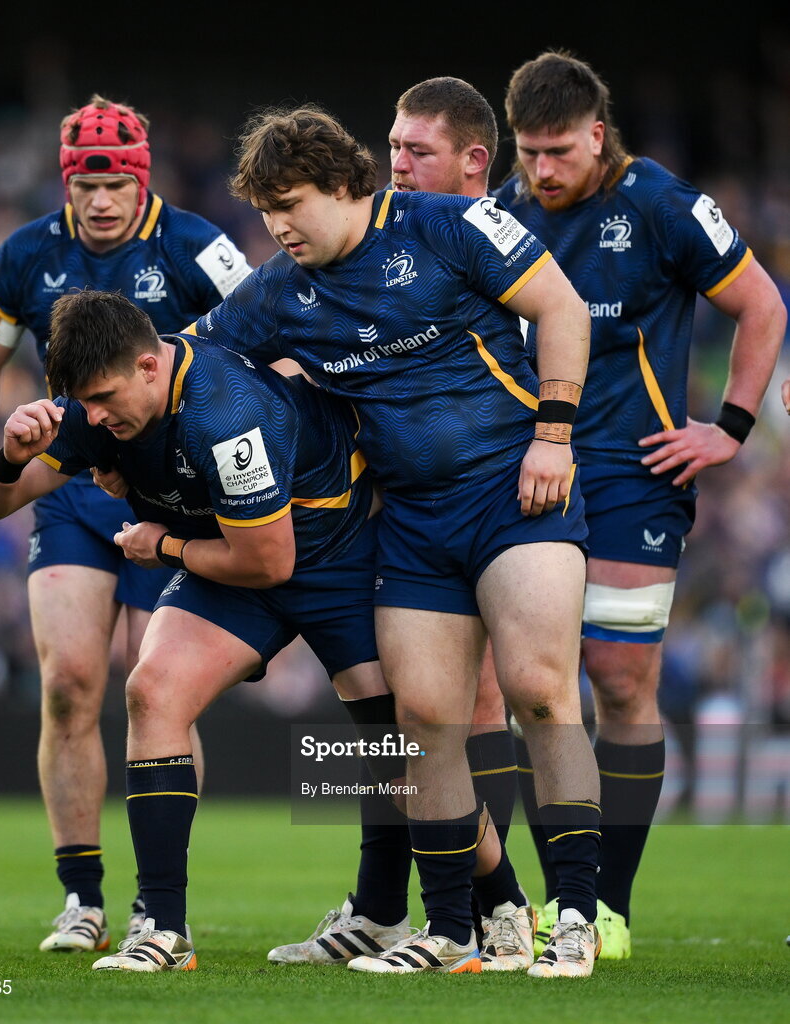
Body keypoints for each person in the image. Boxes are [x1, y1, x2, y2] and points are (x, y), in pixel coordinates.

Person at [191, 104, 604, 978]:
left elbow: (565, 310)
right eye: (265, 210)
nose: (276, 226)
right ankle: (452, 932)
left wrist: (554, 435)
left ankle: (574, 917)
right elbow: (187, 363)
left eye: (291, 203)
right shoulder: (276, 288)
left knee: (538, 693)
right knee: (421, 727)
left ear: (344, 186)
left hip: (516, 492)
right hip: (411, 522)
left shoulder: (448, 225)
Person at [0, 289, 409, 972]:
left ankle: (397, 914)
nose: (99, 418)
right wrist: (10, 458)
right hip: (230, 556)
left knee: (393, 730)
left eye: (107, 398)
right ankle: (163, 929)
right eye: (88, 404)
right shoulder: (94, 406)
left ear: (149, 366)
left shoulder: (223, 410)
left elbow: (271, 560)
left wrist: (162, 547)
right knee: (153, 688)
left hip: (333, 550)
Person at [492, 50, 786, 958]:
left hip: (633, 473)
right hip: (529, 467)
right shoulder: (502, 212)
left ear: (595, 132)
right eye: (526, 153)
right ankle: (561, 901)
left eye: (556, 152)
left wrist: (729, 428)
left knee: (619, 679)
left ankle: (606, 905)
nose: (541, 171)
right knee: (537, 688)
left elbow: (762, 305)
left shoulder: (661, 205)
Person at [0, 94, 253, 953]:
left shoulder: (198, 246)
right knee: (68, 684)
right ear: (66, 182)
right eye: (87, 182)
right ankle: (82, 899)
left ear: (142, 179)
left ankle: (163, 897)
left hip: (172, 496)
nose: (102, 198)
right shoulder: (24, 255)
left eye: (117, 180)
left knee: (156, 688)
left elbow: (274, 327)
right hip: (72, 486)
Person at [267, 77, 530, 973]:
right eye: (393, 145)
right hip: (383, 519)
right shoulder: (314, 269)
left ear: (474, 162)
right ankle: (401, 906)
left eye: (415, 150)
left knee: (476, 707)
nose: (396, 163)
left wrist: (559, 441)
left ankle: (528, 909)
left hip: (504, 496)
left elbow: (561, 339)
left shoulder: (486, 237)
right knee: (390, 718)